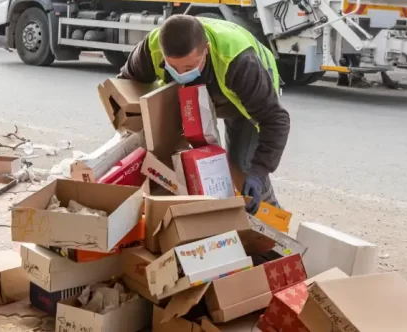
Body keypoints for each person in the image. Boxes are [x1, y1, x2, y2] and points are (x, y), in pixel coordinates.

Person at [119, 14, 290, 213]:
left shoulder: (240, 62)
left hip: (243, 100)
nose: (181, 73)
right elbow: (124, 89)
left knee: (242, 168)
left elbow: (276, 120)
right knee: (194, 164)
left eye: (189, 67)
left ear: (206, 50)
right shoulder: (152, 48)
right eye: (172, 66)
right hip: (193, 97)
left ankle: (274, 228)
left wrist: (259, 172)